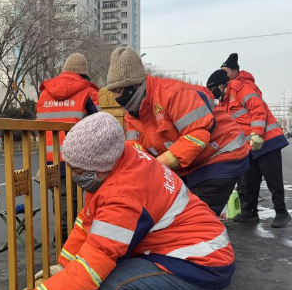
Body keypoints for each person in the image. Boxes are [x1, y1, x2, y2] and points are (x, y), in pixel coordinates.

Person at [0, 112, 235, 290]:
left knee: (111, 288)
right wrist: (64, 265)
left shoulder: (123, 197)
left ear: (99, 168)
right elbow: (88, 222)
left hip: (201, 263)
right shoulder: (125, 156)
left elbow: (93, 264)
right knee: (117, 269)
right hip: (199, 253)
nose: (73, 176)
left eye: (77, 170)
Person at [105, 47, 250, 216]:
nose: (116, 98)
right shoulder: (134, 113)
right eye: (112, 92)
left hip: (221, 154)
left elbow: (197, 134)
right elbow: (135, 149)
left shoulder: (173, 94)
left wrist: (158, 164)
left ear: (133, 85)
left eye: (118, 91)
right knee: (173, 210)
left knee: (193, 217)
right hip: (191, 163)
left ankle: (203, 238)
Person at [214, 52, 291, 228]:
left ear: (234, 71)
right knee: (249, 179)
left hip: (266, 141)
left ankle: (281, 212)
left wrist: (257, 133)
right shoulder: (224, 98)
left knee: (273, 179)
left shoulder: (242, 87)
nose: (223, 75)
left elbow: (258, 109)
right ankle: (249, 212)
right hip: (249, 145)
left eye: (225, 71)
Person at [36, 53, 100, 239]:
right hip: (80, 158)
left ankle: (63, 240)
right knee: (86, 201)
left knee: (61, 201)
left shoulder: (45, 93)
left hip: (50, 158)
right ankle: (70, 244)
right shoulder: (88, 92)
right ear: (84, 75)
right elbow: (102, 124)